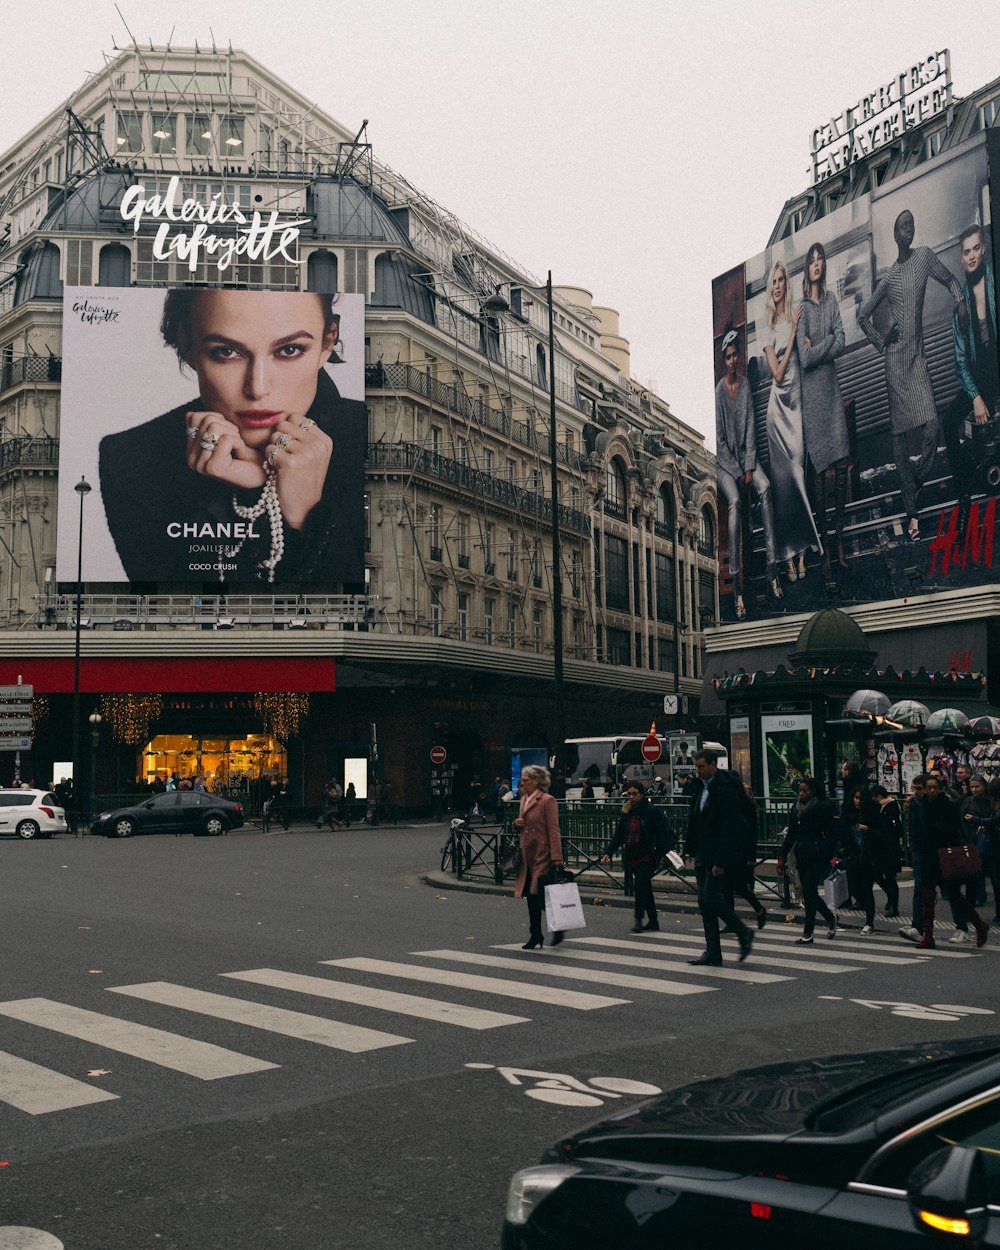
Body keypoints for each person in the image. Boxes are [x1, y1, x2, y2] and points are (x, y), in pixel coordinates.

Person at [99, 290, 367, 584]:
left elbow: (356, 617)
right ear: (187, 344)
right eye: (227, 352)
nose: (258, 387)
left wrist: (304, 513)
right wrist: (257, 490)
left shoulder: (369, 439)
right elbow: (170, 612)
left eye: (289, 350)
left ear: (328, 341)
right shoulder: (131, 459)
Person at [858, 209, 967, 542]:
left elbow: (949, 279)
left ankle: (914, 482)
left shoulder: (924, 257)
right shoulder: (889, 277)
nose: (911, 230)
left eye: (913, 226)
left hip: (917, 359)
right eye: (905, 226)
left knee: (933, 426)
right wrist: (881, 340)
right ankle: (911, 510)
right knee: (899, 438)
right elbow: (863, 317)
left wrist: (960, 301)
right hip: (894, 362)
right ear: (895, 235)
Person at [760, 261, 822, 585]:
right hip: (777, 412)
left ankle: (801, 551)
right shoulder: (767, 325)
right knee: (785, 488)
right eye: (774, 281)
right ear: (771, 287)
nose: (779, 285)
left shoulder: (797, 312)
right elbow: (778, 373)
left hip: (798, 407)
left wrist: (805, 340)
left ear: (787, 283)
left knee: (800, 477)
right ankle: (791, 558)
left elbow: (806, 354)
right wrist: (794, 333)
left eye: (782, 279)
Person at [715, 328, 779, 618]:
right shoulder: (718, 392)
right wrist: (739, 470)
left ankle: (772, 567)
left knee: (765, 489)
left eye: (734, 355)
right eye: (727, 357)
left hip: (746, 460)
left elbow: (752, 427)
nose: (731, 360)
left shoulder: (745, 385)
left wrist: (750, 467)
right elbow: (719, 442)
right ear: (723, 359)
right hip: (726, 465)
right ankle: (737, 585)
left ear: (739, 357)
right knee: (736, 503)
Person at [796, 242, 851, 577]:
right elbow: (803, 360)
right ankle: (825, 549)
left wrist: (820, 346)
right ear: (807, 268)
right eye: (811, 259)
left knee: (842, 466)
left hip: (831, 393)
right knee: (819, 474)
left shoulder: (831, 301)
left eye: (820, 259)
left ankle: (839, 541)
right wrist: (822, 346)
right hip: (812, 401)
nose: (817, 264)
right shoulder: (801, 308)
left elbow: (842, 340)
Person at [944, 224, 997, 530]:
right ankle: (965, 498)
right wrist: (975, 396)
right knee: (949, 424)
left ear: (983, 250)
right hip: (980, 376)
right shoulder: (960, 304)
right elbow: (961, 360)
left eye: (976, 248)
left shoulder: (994, 279)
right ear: (961, 259)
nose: (972, 255)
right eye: (966, 251)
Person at [684, 748, 754, 965]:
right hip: (703, 852)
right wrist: (689, 847)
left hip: (716, 854)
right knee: (704, 903)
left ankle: (742, 932)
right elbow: (696, 819)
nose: (697, 771)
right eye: (696, 766)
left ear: (713, 765)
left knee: (710, 898)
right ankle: (713, 951)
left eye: (701, 766)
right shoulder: (702, 786)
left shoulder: (723, 788)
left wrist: (721, 860)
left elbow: (732, 825)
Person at [907, 773, 987, 950]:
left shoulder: (948, 805)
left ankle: (978, 925)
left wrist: (936, 831)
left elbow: (954, 830)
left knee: (954, 896)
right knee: (927, 896)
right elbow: (915, 829)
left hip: (944, 855)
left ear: (940, 788)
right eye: (930, 788)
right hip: (928, 855)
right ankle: (928, 935)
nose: (932, 790)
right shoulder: (919, 805)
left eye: (935, 787)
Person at [601, 781, 674, 933]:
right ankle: (653, 921)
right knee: (645, 887)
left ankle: (638, 919)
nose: (632, 797)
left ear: (642, 794)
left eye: (635, 794)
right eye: (629, 794)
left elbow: (663, 832)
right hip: (633, 854)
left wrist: (666, 853)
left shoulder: (651, 811)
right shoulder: (627, 811)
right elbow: (620, 833)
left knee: (640, 885)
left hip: (648, 854)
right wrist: (609, 851)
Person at [777, 776, 839, 943]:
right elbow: (791, 834)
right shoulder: (796, 808)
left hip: (818, 852)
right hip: (802, 852)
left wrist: (823, 848)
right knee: (808, 891)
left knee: (810, 888)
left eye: (805, 791)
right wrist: (782, 855)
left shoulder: (824, 806)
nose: (801, 794)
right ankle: (829, 918)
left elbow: (834, 833)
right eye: (800, 791)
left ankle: (808, 932)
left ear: (814, 791)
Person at [512, 764, 565, 949]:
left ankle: (557, 927)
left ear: (536, 781)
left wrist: (557, 856)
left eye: (525, 781)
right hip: (527, 854)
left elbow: (553, 828)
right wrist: (517, 824)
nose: (522, 784)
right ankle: (535, 934)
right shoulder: (524, 799)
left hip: (543, 854)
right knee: (530, 896)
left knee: (538, 895)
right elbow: (523, 825)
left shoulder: (547, 800)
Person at [722, 779, 768, 929]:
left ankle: (759, 909)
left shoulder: (744, 806)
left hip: (741, 852)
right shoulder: (731, 803)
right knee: (728, 887)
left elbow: (751, 833)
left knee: (738, 885)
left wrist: (750, 856)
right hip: (730, 850)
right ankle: (731, 920)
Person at [869, 784, 902, 918]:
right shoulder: (882, 807)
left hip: (889, 847)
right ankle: (891, 898)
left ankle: (893, 903)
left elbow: (890, 829)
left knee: (889, 876)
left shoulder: (890, 807)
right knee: (880, 875)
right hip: (883, 847)